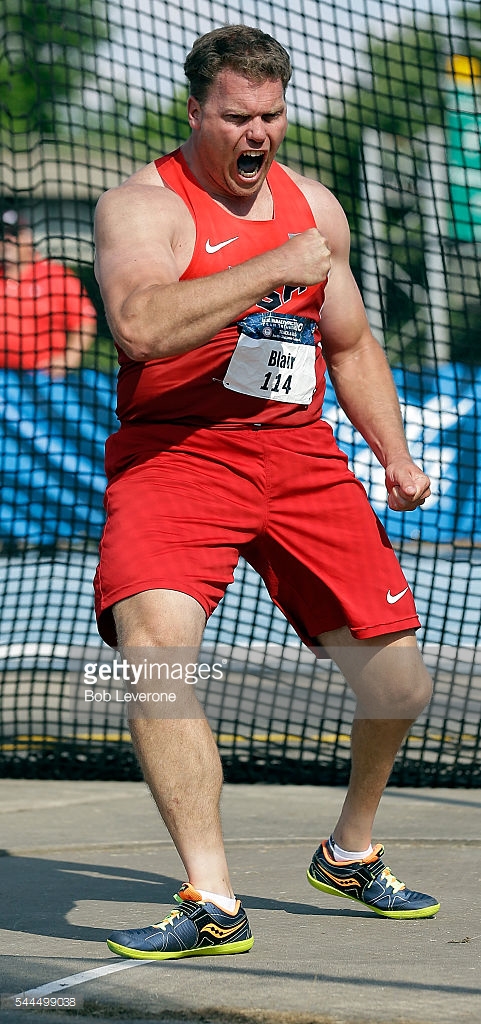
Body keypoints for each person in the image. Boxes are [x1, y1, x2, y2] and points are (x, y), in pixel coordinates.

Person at [93, 24, 440, 961]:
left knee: (400, 684)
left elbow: (350, 341)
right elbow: (138, 326)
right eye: (238, 116)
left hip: (297, 457)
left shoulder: (311, 204)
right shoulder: (141, 207)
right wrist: (268, 268)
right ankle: (211, 898)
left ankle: (350, 849)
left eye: (272, 115)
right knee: (155, 652)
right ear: (197, 111)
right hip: (179, 460)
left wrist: (394, 453)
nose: (258, 133)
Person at [0, 208, 97, 375]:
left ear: (28, 238)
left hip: (43, 379)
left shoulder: (55, 276)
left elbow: (85, 322)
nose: (7, 241)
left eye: (14, 234)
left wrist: (69, 359)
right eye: (3, 236)